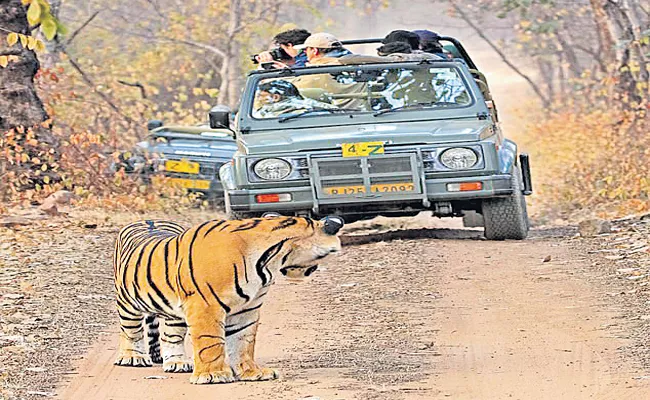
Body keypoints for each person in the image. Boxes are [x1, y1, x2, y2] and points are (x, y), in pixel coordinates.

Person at [253, 79, 335, 118]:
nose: (258, 99)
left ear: (275, 97)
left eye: (260, 95)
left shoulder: (267, 116)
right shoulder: (321, 107)